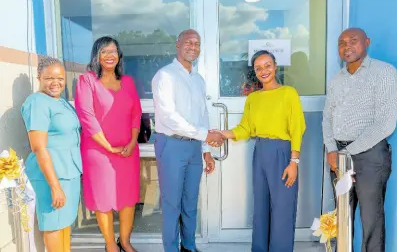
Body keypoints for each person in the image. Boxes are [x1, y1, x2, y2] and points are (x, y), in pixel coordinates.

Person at [220, 50, 306, 252]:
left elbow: (297, 128)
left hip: (282, 153)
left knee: (283, 207)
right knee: (261, 207)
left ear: (275, 66)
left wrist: (294, 162)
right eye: (258, 68)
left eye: (267, 65)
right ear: (255, 72)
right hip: (260, 153)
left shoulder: (288, 93)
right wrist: (222, 134)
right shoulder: (253, 99)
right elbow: (245, 129)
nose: (263, 71)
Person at [322, 27, 397, 252]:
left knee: (371, 217)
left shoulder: (384, 72)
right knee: (342, 216)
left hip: (370, 155)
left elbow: (386, 123)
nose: (347, 46)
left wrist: (346, 153)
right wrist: (332, 150)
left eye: (353, 41)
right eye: (342, 43)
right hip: (338, 155)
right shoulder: (336, 80)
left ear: (367, 42)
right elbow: (327, 118)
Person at [152, 29, 222, 252]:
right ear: (178, 44)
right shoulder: (165, 76)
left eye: (197, 43)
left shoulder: (199, 80)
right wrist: (205, 136)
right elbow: (168, 117)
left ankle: (189, 247)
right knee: (172, 204)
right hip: (171, 145)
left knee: (190, 202)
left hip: (193, 148)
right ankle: (171, 249)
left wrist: (205, 150)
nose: (193, 47)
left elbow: (202, 115)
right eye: (188, 42)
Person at [74, 36, 142, 252]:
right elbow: (86, 116)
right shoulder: (87, 81)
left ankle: (125, 241)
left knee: (128, 197)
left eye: (113, 51)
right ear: (97, 56)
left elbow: (136, 113)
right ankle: (111, 244)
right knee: (103, 198)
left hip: (127, 151)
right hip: (98, 152)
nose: (109, 55)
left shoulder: (129, 82)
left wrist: (132, 141)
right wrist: (109, 147)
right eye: (104, 51)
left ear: (119, 55)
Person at [21, 57, 82, 252]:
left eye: (60, 78)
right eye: (49, 78)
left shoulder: (60, 101)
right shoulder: (37, 102)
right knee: (54, 225)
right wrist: (55, 186)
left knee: (64, 223)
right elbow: (39, 148)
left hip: (69, 173)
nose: (55, 83)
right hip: (52, 176)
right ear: (38, 77)